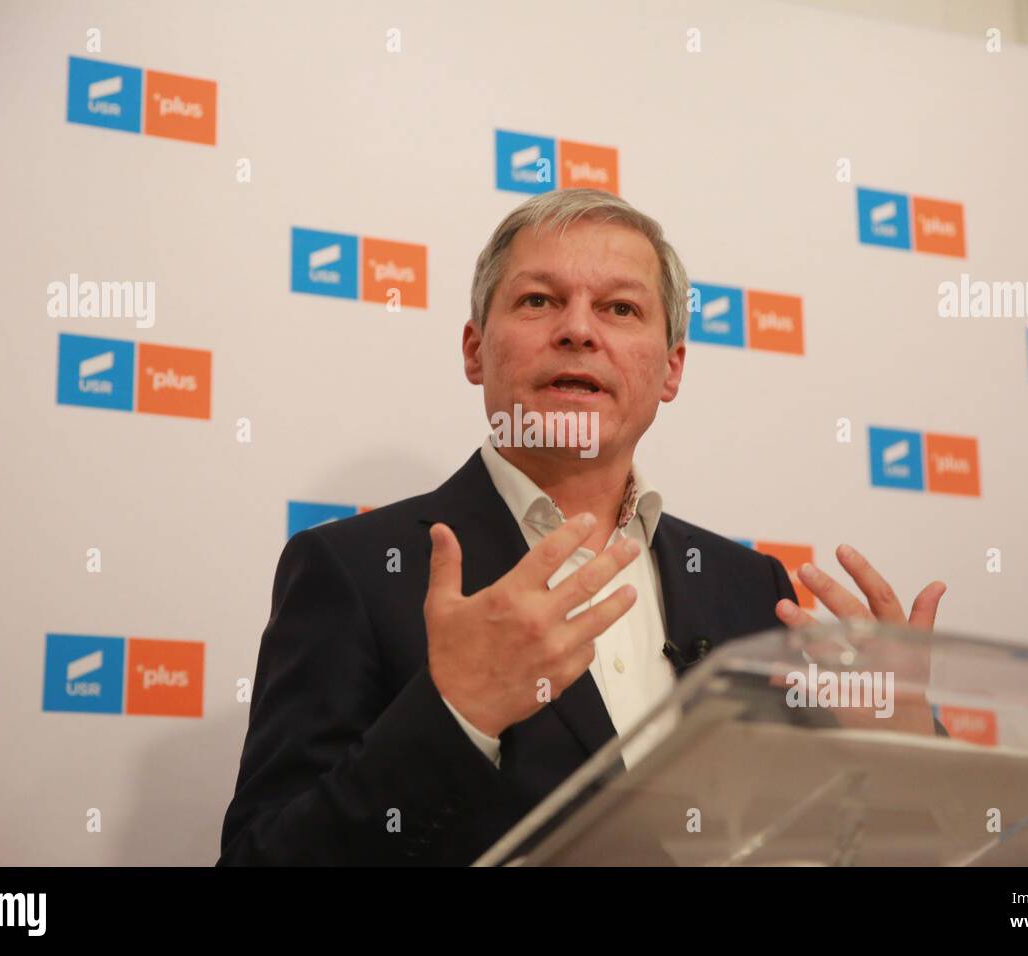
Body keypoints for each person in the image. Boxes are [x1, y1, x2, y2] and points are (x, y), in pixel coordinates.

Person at [217, 188, 947, 865]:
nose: (577, 330)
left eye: (621, 310)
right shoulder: (357, 572)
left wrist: (911, 757)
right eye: (538, 300)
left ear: (671, 368)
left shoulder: (749, 589)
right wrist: (456, 715)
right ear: (475, 349)